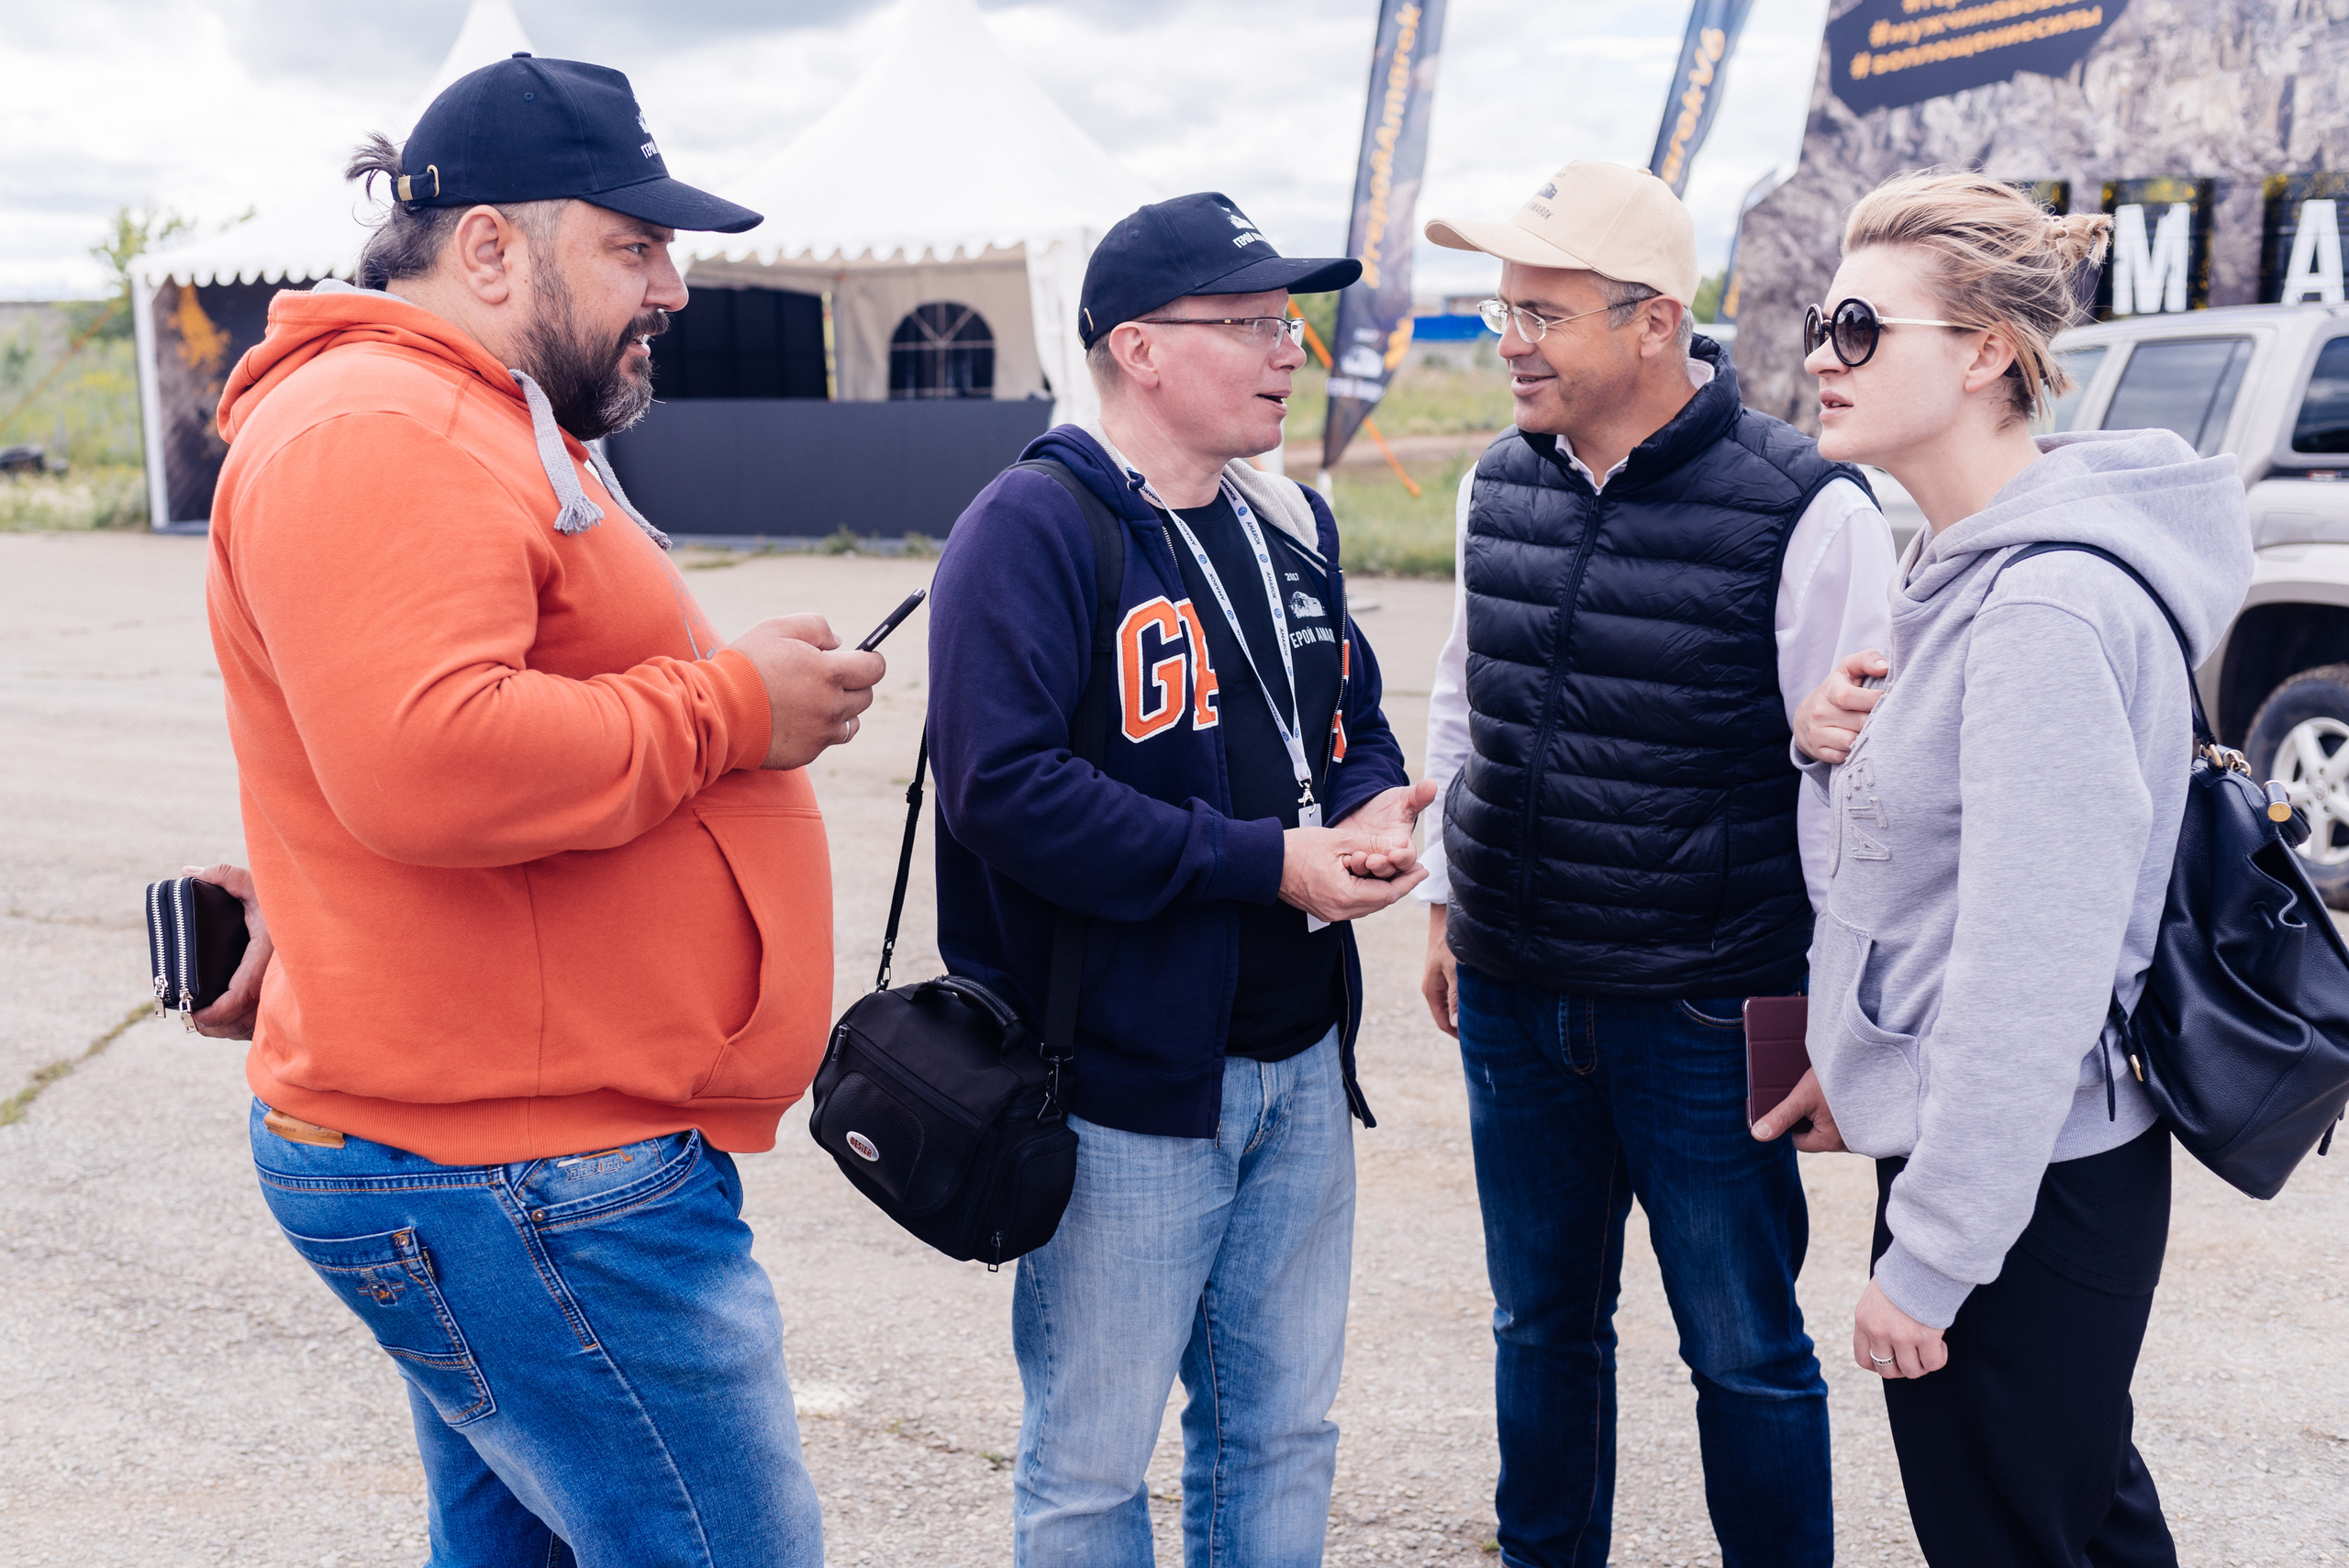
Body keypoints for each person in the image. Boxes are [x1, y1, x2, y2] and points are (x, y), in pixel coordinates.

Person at [206, 57, 883, 1566]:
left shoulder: (464, 419)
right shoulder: (384, 427)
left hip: (513, 1154)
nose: (675, 288)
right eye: (633, 246)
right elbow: (428, 757)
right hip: (521, 1172)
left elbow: (378, 732)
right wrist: (731, 710)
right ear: (491, 246)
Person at [925, 192, 1435, 1567]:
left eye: (1292, 322)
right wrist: (1269, 860)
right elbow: (1003, 789)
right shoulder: (1030, 524)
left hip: (1300, 1058)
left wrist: (1372, 798)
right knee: (1094, 1465)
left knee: (1280, 1433)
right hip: (1122, 1084)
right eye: (1253, 323)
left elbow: (1351, 710)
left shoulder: (1288, 522)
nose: (1289, 351)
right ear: (1139, 348)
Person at [1413, 161, 1899, 1568]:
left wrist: (1837, 1020)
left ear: (1651, 322)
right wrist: (1449, 902)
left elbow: (1859, 798)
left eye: (1540, 312)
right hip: (1515, 992)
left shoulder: (1813, 511)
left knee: (1745, 1348)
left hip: (1702, 1007)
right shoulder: (1495, 486)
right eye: (1503, 305)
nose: (1509, 338)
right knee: (1541, 1324)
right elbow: (1462, 700)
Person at [1767, 171, 2253, 1566]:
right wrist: (1828, 752)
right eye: (1821, 319)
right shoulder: (1961, 566)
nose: (1819, 353)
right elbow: (1921, 878)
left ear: (1985, 352)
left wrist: (1928, 1261)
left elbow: (2034, 969)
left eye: (1860, 326)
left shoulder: (2041, 599)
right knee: (2083, 1526)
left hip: (2025, 1184)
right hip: (2002, 1163)